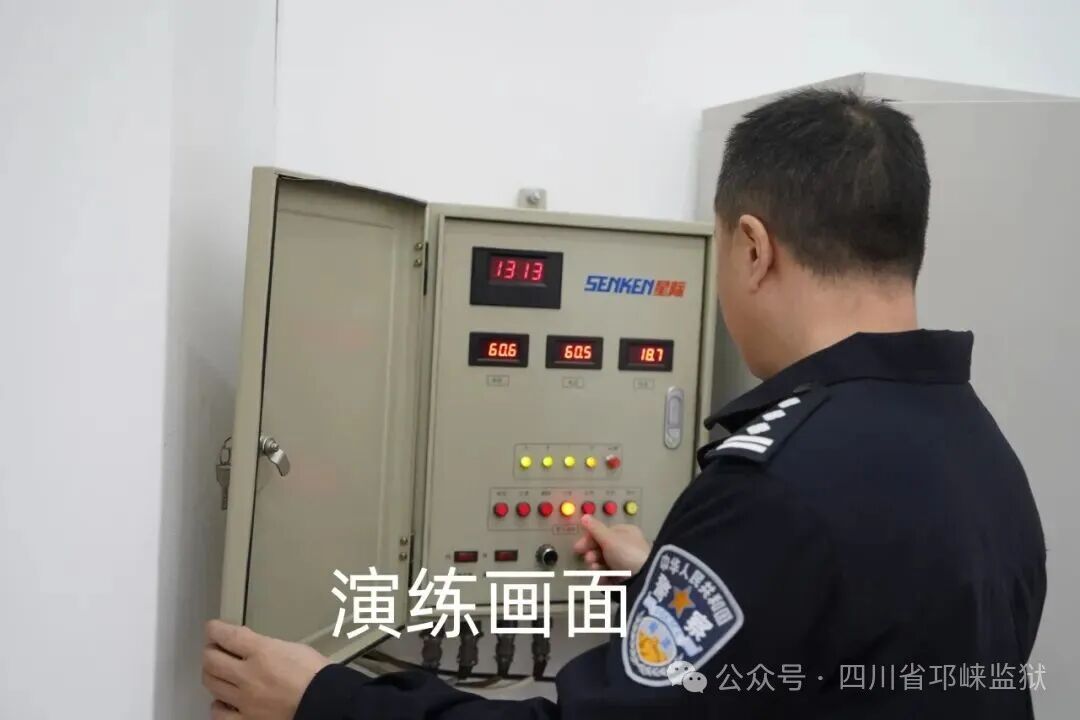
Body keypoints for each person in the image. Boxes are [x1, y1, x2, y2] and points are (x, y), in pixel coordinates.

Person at [201, 89, 1046, 719]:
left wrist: (324, 701)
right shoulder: (979, 449)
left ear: (753, 248)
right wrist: (666, 582)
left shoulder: (775, 486)